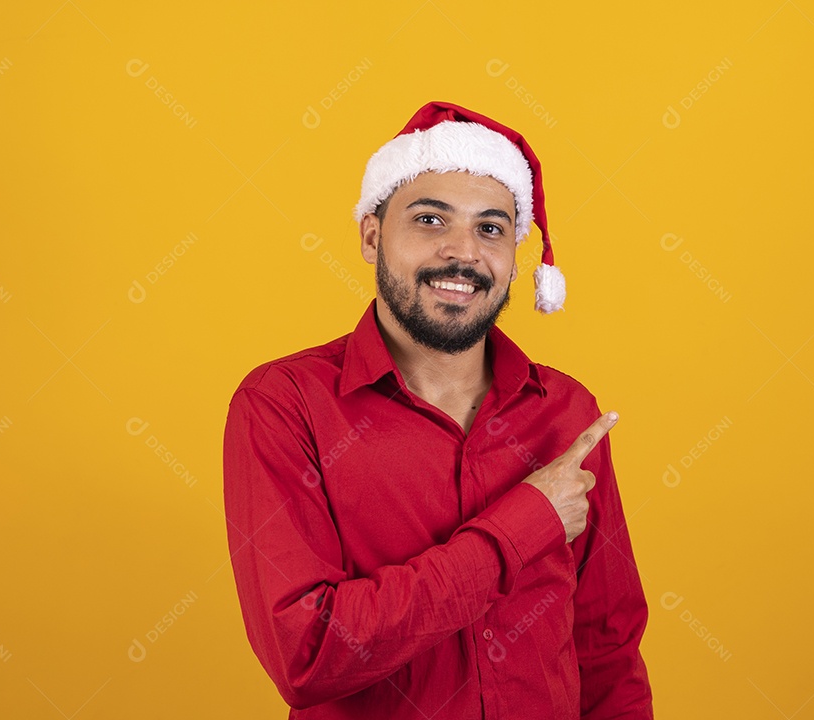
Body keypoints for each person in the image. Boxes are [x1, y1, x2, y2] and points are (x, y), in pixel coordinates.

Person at [223, 101, 654, 719]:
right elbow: (309, 651)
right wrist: (524, 524)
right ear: (372, 237)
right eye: (430, 219)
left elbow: (607, 647)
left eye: (490, 228)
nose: (463, 253)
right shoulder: (284, 406)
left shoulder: (565, 413)